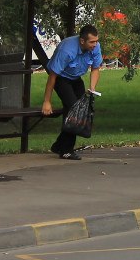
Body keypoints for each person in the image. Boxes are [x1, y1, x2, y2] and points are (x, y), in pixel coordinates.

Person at [42, 24, 103, 160]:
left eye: (96, 41)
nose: (95, 44)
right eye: (92, 42)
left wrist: (92, 89)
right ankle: (66, 150)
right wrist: (47, 101)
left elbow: (95, 68)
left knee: (81, 110)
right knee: (73, 108)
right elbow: (52, 76)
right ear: (82, 41)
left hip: (76, 78)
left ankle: (58, 145)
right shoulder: (67, 50)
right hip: (61, 78)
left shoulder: (95, 47)